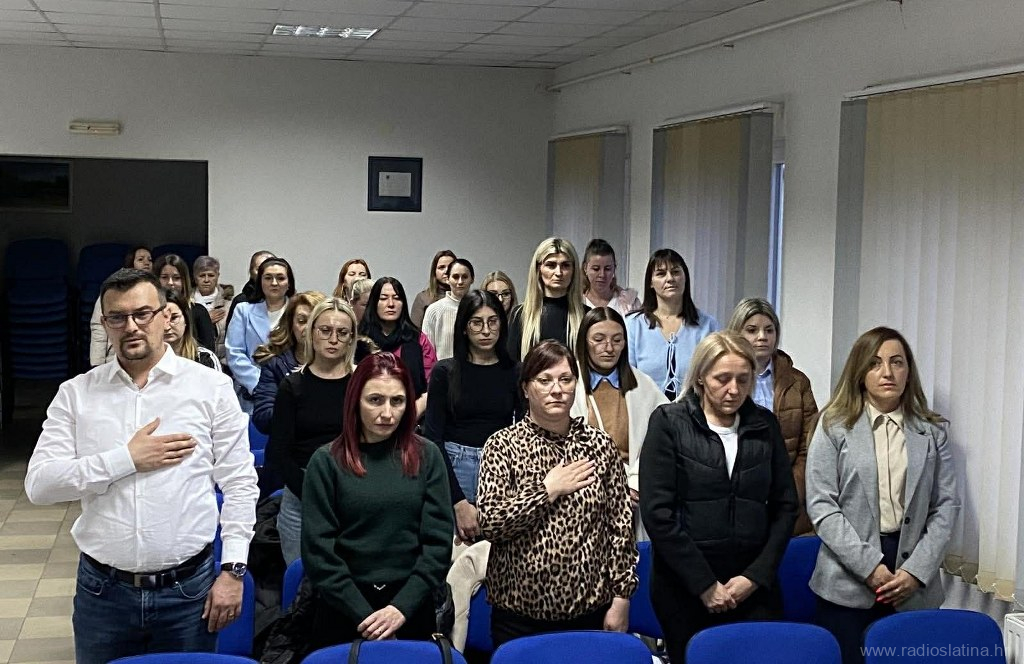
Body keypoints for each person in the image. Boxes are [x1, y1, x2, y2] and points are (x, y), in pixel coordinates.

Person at [25, 268, 258, 664]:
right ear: (105, 324)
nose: (130, 326)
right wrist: (125, 459)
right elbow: (40, 485)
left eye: (142, 314)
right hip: (103, 592)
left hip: (189, 591)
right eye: (117, 317)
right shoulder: (77, 394)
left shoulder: (210, 388)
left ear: (166, 317)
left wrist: (233, 570)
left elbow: (239, 483)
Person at [638, 331, 798, 663]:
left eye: (743, 379)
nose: (734, 389)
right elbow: (658, 514)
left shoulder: (765, 425)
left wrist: (754, 577)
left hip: (753, 587)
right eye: (722, 379)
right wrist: (705, 585)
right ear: (700, 377)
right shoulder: (669, 423)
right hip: (685, 589)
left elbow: (785, 507)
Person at [806, 327, 959, 664]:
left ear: (909, 371)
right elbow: (822, 506)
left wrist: (916, 571)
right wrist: (869, 567)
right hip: (848, 577)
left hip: (912, 575)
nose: (887, 372)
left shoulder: (932, 431)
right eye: (875, 363)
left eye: (897, 362)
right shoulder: (833, 425)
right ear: (860, 372)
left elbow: (946, 506)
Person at [477, 340, 637, 648]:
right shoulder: (502, 445)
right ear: (526, 388)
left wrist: (622, 597)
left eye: (566, 379)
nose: (557, 389)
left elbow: (620, 525)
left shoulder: (598, 445)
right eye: (545, 380)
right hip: (518, 617)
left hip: (590, 613)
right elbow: (491, 523)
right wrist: (547, 491)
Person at [301, 352, 453, 650]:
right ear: (355, 401)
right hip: (343, 607)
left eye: (397, 401)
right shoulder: (326, 462)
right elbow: (319, 554)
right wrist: (367, 618)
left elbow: (437, 546)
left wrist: (400, 609)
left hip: (410, 606)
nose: (387, 413)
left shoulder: (427, 455)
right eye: (375, 400)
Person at [424, 290, 521, 544]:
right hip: (455, 466)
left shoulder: (514, 371)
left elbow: (523, 433)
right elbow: (433, 439)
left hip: (501, 468)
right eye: (477, 322)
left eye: (493, 321)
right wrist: (457, 501)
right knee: (458, 555)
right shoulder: (445, 371)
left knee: (497, 553)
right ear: (464, 328)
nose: (486, 330)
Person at [267, 298, 358, 565]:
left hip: (353, 493)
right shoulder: (292, 386)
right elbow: (278, 453)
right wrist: (314, 493)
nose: (333, 339)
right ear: (311, 333)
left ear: (351, 338)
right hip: (301, 495)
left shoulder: (361, 385)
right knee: (301, 583)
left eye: (342, 332)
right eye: (325, 330)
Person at [569, 307, 667, 540]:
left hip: (634, 497)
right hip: (583, 499)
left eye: (617, 340)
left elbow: (662, 441)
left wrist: (635, 482)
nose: (609, 348)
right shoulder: (569, 384)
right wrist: (608, 487)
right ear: (584, 342)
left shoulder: (643, 385)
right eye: (599, 339)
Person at [728, 297, 817, 535]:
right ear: (736, 333)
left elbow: (809, 446)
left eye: (769, 330)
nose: (762, 337)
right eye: (752, 330)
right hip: (734, 501)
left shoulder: (797, 382)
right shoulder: (723, 381)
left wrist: (789, 491)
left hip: (787, 501)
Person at [626, 249, 719, 400]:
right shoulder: (633, 326)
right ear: (650, 282)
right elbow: (626, 380)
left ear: (685, 277)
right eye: (661, 274)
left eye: (675, 272)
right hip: (645, 409)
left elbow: (715, 377)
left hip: (694, 410)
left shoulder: (708, 326)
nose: (670, 279)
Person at [359, 277, 436, 418]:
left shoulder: (418, 339)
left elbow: (431, 384)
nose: (391, 304)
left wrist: (412, 414)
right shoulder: (360, 340)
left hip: (413, 415)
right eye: (383, 298)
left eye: (396, 298)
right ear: (374, 303)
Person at [250, 291, 327, 434]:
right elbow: (263, 417)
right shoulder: (275, 364)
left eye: (315, 322)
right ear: (291, 324)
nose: (308, 328)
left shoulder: (339, 363)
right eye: (302, 321)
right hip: (289, 443)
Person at [226, 257, 295, 412]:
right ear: (260, 282)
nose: (274, 283)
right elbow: (234, 353)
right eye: (268, 278)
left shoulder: (298, 311)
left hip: (291, 389)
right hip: (252, 392)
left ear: (289, 283)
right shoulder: (243, 310)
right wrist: (261, 385)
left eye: (280, 278)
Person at [507, 237, 588, 361]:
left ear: (574, 270)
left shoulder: (586, 315)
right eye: (551, 265)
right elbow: (512, 364)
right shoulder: (521, 315)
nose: (558, 273)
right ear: (538, 269)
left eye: (565, 265)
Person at [90, 245, 152, 366]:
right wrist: (97, 364)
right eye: (141, 259)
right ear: (130, 263)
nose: (147, 263)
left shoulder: (156, 291)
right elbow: (98, 327)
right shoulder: (113, 289)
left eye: (150, 259)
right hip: (115, 359)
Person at [152, 253, 217, 354]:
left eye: (176, 278)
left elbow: (208, 351)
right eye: (164, 277)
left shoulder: (198, 311)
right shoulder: (149, 313)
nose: (170, 282)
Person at [421, 258, 475, 360]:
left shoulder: (479, 309)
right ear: (447, 279)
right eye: (455, 277)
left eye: (465, 277)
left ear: (472, 279)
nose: (460, 282)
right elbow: (427, 353)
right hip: (443, 369)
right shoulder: (434, 310)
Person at [581, 239, 641, 315]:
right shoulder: (577, 303)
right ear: (585, 268)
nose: (602, 275)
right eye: (596, 269)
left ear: (614, 269)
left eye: (607, 269)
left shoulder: (629, 303)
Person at [163, 289, 220, 370]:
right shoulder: (147, 359)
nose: (167, 327)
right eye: (161, 319)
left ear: (186, 319)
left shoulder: (205, 358)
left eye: (174, 318)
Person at [193, 255, 233, 366]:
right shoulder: (187, 303)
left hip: (224, 364)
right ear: (195, 277)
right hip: (195, 362)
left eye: (211, 275)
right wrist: (204, 320)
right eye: (202, 275)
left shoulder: (229, 304)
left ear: (218, 276)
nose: (206, 280)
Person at [226, 249, 275, 326]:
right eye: (259, 269)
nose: (265, 273)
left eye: (270, 269)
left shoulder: (288, 299)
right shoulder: (242, 301)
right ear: (251, 272)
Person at [411, 249, 456, 327]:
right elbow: (415, 330)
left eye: (450, 267)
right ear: (434, 272)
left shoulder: (465, 298)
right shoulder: (423, 298)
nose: (446, 271)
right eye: (441, 267)